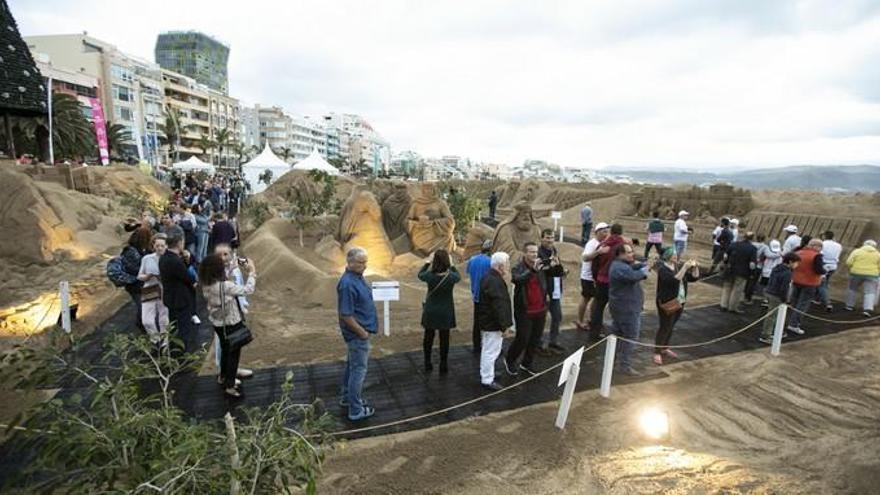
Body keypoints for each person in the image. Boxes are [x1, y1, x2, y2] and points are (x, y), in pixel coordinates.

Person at [199, 253, 256, 398]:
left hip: (218, 323)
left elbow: (224, 285)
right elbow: (248, 289)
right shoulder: (225, 286)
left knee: (225, 349)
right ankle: (230, 385)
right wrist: (252, 272)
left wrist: (231, 269)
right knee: (233, 353)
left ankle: (223, 376)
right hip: (231, 323)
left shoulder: (206, 284)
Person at [337, 247, 378, 421]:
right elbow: (345, 314)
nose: (365, 265)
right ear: (350, 262)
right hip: (357, 335)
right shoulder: (347, 284)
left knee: (351, 367)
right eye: (361, 262)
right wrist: (362, 333)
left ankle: (348, 398)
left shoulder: (357, 278)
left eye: (366, 262)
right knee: (358, 371)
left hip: (360, 333)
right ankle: (355, 410)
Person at [505, 242, 549, 376]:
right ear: (524, 253)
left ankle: (526, 363)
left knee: (535, 338)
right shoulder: (518, 267)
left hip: (540, 309)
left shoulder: (541, 266)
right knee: (522, 338)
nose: (534, 254)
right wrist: (532, 271)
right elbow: (518, 280)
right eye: (531, 252)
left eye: (536, 252)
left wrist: (556, 265)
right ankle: (510, 359)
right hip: (524, 310)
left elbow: (554, 274)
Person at [212, 243, 254, 383]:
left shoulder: (233, 268)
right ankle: (223, 374)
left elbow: (239, 284)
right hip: (222, 315)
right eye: (220, 255)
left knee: (235, 342)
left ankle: (232, 370)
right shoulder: (213, 271)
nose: (223, 258)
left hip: (235, 310)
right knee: (223, 344)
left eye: (226, 254)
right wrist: (251, 272)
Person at [653, 248, 699, 365]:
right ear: (667, 256)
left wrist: (695, 268)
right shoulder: (663, 269)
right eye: (673, 255)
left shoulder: (677, 267)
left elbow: (693, 278)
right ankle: (657, 351)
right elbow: (673, 281)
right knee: (665, 326)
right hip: (667, 301)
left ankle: (664, 347)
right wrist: (684, 267)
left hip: (680, 301)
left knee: (671, 325)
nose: (676, 256)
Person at [609, 244, 649, 375]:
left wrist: (643, 265)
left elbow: (632, 268)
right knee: (630, 337)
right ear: (620, 254)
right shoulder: (619, 268)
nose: (632, 254)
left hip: (622, 308)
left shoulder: (620, 265)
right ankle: (624, 366)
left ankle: (612, 361)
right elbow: (634, 276)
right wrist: (647, 268)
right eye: (629, 252)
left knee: (617, 336)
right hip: (627, 309)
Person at [418, 249, 461, 373]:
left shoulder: (429, 276)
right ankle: (443, 364)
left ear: (435, 261)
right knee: (444, 338)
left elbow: (420, 274)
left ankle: (427, 362)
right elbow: (458, 276)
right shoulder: (451, 277)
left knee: (428, 337)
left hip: (431, 310)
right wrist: (452, 265)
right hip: (446, 311)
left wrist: (427, 262)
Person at [476, 252, 513, 391]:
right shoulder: (494, 281)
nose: (508, 267)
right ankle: (487, 379)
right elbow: (499, 306)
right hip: (492, 324)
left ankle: (487, 373)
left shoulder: (489, 278)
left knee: (488, 350)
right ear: (501, 266)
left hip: (488, 322)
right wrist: (504, 326)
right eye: (507, 264)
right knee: (491, 351)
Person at [159, 232, 198, 354]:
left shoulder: (165, 257)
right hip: (180, 299)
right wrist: (193, 282)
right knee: (183, 328)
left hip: (170, 297)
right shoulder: (174, 261)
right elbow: (186, 277)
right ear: (179, 243)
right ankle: (181, 352)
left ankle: (175, 350)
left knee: (174, 325)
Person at [590, 223, 627, 338]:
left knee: (598, 307)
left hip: (602, 280)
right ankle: (619, 331)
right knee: (618, 307)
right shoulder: (625, 246)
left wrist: (597, 277)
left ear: (611, 232)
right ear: (621, 232)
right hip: (618, 281)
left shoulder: (603, 244)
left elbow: (594, 264)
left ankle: (595, 331)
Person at [787, 239, 826, 335]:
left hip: (796, 280)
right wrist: (824, 271)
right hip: (810, 282)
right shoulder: (817, 256)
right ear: (816, 246)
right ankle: (794, 324)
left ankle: (788, 320)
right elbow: (818, 270)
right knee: (803, 304)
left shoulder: (799, 252)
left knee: (794, 302)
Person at [759, 253, 801, 344]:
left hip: (770, 292)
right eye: (796, 263)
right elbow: (784, 288)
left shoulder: (777, 268)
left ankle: (773, 332)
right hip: (776, 295)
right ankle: (766, 335)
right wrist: (785, 299)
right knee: (772, 316)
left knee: (773, 315)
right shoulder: (787, 273)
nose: (797, 265)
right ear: (790, 262)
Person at [576, 223, 610, 335]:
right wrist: (598, 252)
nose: (606, 233)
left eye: (607, 231)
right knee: (586, 298)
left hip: (597, 277)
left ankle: (593, 320)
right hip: (588, 276)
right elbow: (585, 258)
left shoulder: (604, 243)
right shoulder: (592, 244)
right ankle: (580, 321)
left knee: (596, 300)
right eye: (603, 231)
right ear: (597, 232)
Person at [537, 229, 567, 355]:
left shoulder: (554, 251)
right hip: (543, 291)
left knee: (557, 316)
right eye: (547, 238)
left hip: (555, 289)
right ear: (542, 238)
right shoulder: (538, 253)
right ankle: (537, 344)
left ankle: (553, 341)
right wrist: (551, 265)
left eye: (552, 238)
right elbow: (540, 272)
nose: (550, 240)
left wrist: (562, 271)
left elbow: (555, 268)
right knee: (541, 319)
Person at [137, 233, 169, 347]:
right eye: (157, 245)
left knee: (164, 317)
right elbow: (139, 275)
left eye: (162, 245)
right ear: (153, 246)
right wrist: (146, 277)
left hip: (164, 289)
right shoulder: (147, 258)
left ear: (166, 246)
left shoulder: (169, 259)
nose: (160, 248)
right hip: (149, 288)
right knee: (146, 319)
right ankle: (155, 339)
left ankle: (165, 341)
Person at [121, 227, 152, 332]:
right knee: (142, 307)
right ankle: (142, 326)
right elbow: (132, 268)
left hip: (143, 283)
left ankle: (143, 325)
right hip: (135, 284)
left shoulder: (144, 250)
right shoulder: (131, 252)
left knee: (146, 306)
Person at [720, 231, 757, 313]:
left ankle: (723, 305)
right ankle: (732, 307)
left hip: (730, 269)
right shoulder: (752, 249)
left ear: (744, 237)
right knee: (737, 290)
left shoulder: (734, 244)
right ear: (752, 239)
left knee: (727, 287)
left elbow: (725, 256)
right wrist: (752, 273)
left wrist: (725, 264)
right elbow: (752, 264)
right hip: (742, 272)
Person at [466, 240, 493, 353]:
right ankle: (489, 347)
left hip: (476, 295)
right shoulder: (491, 262)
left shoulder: (472, 260)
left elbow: (468, 273)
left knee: (476, 323)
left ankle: (476, 346)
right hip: (488, 297)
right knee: (490, 323)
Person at [845, 240, 880, 317]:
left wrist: (852, 268)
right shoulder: (878, 254)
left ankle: (849, 306)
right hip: (872, 275)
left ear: (863, 244)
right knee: (870, 292)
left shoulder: (857, 251)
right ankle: (867, 309)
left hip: (856, 273)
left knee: (852, 289)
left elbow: (848, 262)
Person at [816, 231, 842, 312]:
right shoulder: (839, 245)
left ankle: (827, 303)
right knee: (824, 283)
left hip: (824, 265)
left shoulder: (822, 244)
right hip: (833, 266)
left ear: (824, 236)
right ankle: (819, 298)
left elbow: (818, 254)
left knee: (822, 285)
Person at [744, 233, 767, 304]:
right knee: (753, 282)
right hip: (758, 266)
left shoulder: (752, 244)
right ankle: (748, 297)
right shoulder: (765, 247)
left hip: (749, 264)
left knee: (748, 281)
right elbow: (765, 256)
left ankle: (745, 294)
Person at [759, 239, 783, 306]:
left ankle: (765, 299)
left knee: (764, 286)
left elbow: (762, 260)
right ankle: (768, 300)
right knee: (771, 287)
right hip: (774, 273)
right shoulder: (781, 255)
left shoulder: (767, 253)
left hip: (766, 272)